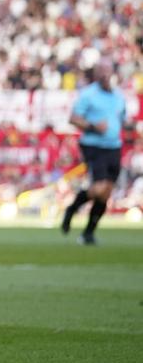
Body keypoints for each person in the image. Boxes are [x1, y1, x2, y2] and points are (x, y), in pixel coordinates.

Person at [61, 61, 128, 245]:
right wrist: (92, 126)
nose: (104, 74)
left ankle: (88, 233)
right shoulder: (88, 94)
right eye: (101, 71)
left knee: (106, 192)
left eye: (107, 70)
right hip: (94, 146)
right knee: (98, 187)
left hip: (114, 146)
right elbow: (73, 119)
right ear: (96, 74)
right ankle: (72, 208)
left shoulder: (119, 96)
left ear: (112, 72)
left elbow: (122, 120)